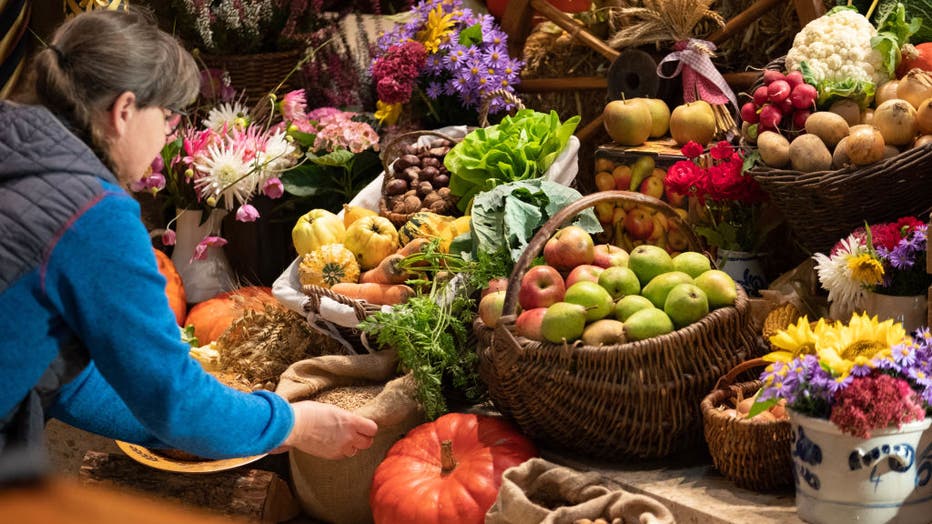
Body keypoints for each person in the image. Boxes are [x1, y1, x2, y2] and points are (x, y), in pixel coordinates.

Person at [0, 8, 377, 481]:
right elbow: (175, 401)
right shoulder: (93, 215)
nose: (167, 136)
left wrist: (226, 426)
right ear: (124, 111)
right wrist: (291, 423)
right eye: (168, 116)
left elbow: (57, 374)